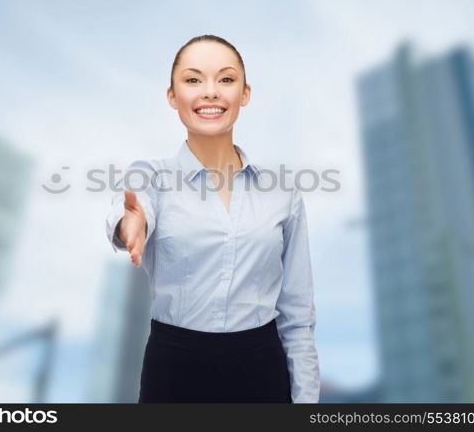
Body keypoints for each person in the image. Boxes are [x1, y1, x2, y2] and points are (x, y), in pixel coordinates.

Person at [105, 34, 320, 403]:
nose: (210, 92)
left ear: (245, 93)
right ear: (173, 96)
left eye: (225, 79)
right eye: (192, 80)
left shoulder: (283, 192)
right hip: (174, 368)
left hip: (261, 368)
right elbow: (132, 211)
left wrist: (305, 400)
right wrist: (131, 226)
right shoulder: (151, 176)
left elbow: (297, 315)